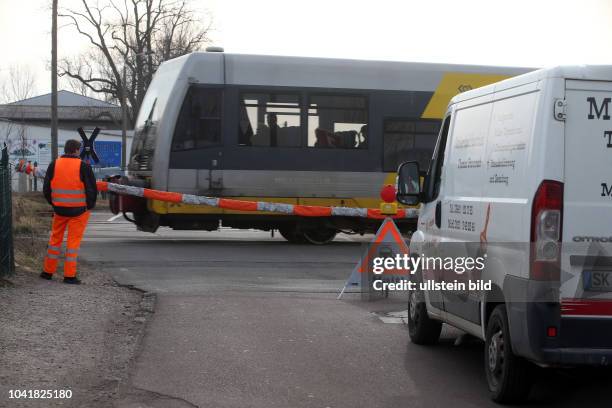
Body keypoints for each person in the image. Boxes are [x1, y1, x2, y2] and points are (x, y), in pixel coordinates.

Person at [40, 139, 97, 284]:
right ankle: (69, 276)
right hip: (79, 212)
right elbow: (91, 189)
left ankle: (47, 272)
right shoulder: (83, 166)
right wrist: (89, 206)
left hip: (59, 210)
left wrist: (54, 203)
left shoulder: (54, 164)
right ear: (77, 150)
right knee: (73, 243)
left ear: (65, 149)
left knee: (55, 240)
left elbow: (46, 188)